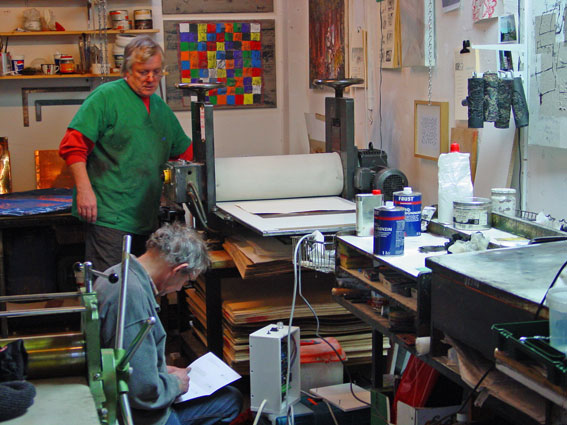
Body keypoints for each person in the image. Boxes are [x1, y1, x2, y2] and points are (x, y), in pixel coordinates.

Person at [59, 35, 193, 272]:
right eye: (143, 72)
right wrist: (85, 191)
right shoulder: (106, 97)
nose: (150, 78)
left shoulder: (160, 108)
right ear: (127, 71)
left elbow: (184, 152)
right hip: (109, 216)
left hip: (145, 217)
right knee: (111, 284)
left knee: (140, 284)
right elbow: (73, 146)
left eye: (156, 72)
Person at [94, 222, 242, 425]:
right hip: (140, 416)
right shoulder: (132, 298)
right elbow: (143, 392)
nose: (180, 289)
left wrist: (160, 370)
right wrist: (174, 384)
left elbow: (133, 363)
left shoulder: (116, 272)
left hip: (119, 398)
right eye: (186, 281)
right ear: (178, 270)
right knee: (231, 400)